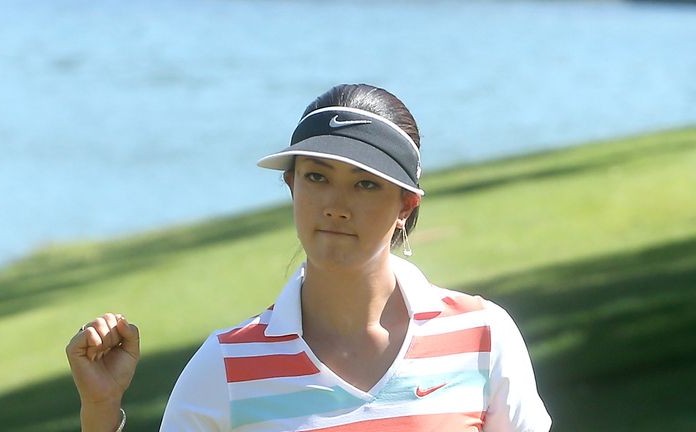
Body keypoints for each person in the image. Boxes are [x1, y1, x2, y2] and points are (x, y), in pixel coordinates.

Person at [66, 84, 552, 431]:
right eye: (317, 177)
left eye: (365, 184)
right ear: (291, 186)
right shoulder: (228, 367)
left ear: (405, 205)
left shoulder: (482, 337)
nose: (336, 206)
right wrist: (101, 410)